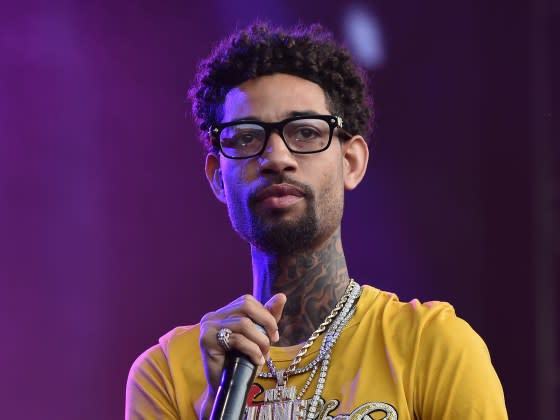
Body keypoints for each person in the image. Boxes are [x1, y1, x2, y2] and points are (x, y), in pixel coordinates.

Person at [125, 22, 508, 420]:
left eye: (305, 132)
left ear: (351, 162)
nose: (275, 157)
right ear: (218, 177)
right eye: (245, 137)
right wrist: (217, 407)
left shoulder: (432, 347)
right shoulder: (166, 373)